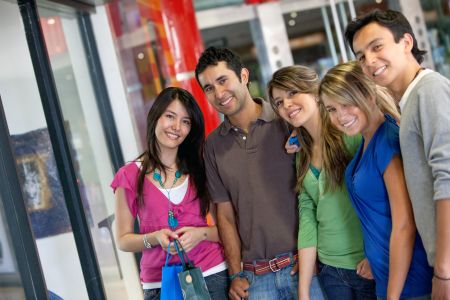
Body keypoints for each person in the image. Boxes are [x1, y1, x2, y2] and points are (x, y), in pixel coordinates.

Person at [345, 9, 450, 299]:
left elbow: (448, 179)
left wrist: (443, 270)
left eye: (377, 47)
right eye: (361, 56)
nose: (369, 61)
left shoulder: (428, 91)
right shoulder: (412, 99)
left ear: (406, 42)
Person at [319, 60, 433, 300]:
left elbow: (405, 225)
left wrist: (392, 295)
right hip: (387, 278)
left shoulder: (387, 141)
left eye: (347, 103)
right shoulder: (367, 141)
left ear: (369, 95)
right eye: (331, 109)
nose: (340, 116)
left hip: (410, 283)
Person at [195, 47, 300, 300]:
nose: (219, 94)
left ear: (243, 76)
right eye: (209, 88)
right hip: (256, 279)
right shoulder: (212, 146)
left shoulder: (286, 122)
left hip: (305, 267)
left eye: (223, 80)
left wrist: (315, 253)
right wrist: (235, 274)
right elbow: (226, 215)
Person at [267, 65, 376, 300]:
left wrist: (376, 255)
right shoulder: (300, 152)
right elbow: (308, 215)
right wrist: (304, 289)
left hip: (367, 264)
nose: (286, 104)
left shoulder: (350, 134)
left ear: (315, 92)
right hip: (330, 270)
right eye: (278, 102)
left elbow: (380, 198)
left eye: (293, 93)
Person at [111, 87, 228, 300]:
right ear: (156, 116)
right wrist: (154, 238)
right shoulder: (129, 176)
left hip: (211, 275)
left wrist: (200, 234)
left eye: (186, 121)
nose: (176, 127)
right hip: (160, 285)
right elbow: (123, 240)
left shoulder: (201, 169)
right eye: (170, 116)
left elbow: (227, 228)